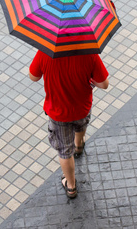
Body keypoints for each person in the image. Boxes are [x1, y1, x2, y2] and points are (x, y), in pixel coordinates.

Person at [29, 51, 109, 198]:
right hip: (82, 108)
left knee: (65, 152)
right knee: (80, 127)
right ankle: (79, 146)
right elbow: (104, 84)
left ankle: (71, 186)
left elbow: (33, 77)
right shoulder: (89, 54)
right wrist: (90, 81)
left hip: (58, 113)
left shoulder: (44, 53)